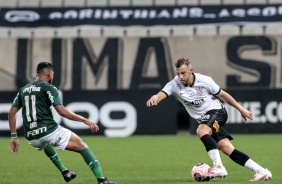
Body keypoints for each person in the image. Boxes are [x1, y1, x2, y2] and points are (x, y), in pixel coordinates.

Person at [146, 58, 272, 182]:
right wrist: (156, 98)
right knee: (226, 147)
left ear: (191, 70)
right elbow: (163, 93)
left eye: (183, 73)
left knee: (201, 131)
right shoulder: (175, 84)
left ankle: (218, 168)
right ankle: (261, 171)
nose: (180, 77)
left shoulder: (204, 80)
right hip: (206, 120)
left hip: (218, 112)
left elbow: (223, 95)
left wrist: (240, 109)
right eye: (178, 73)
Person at [8, 62, 117, 184]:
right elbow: (61, 111)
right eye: (53, 74)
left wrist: (14, 137)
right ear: (49, 74)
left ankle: (65, 171)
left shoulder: (23, 89)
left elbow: (11, 113)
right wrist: (85, 120)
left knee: (45, 143)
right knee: (83, 146)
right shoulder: (49, 88)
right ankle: (102, 180)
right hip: (48, 130)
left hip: (32, 137)